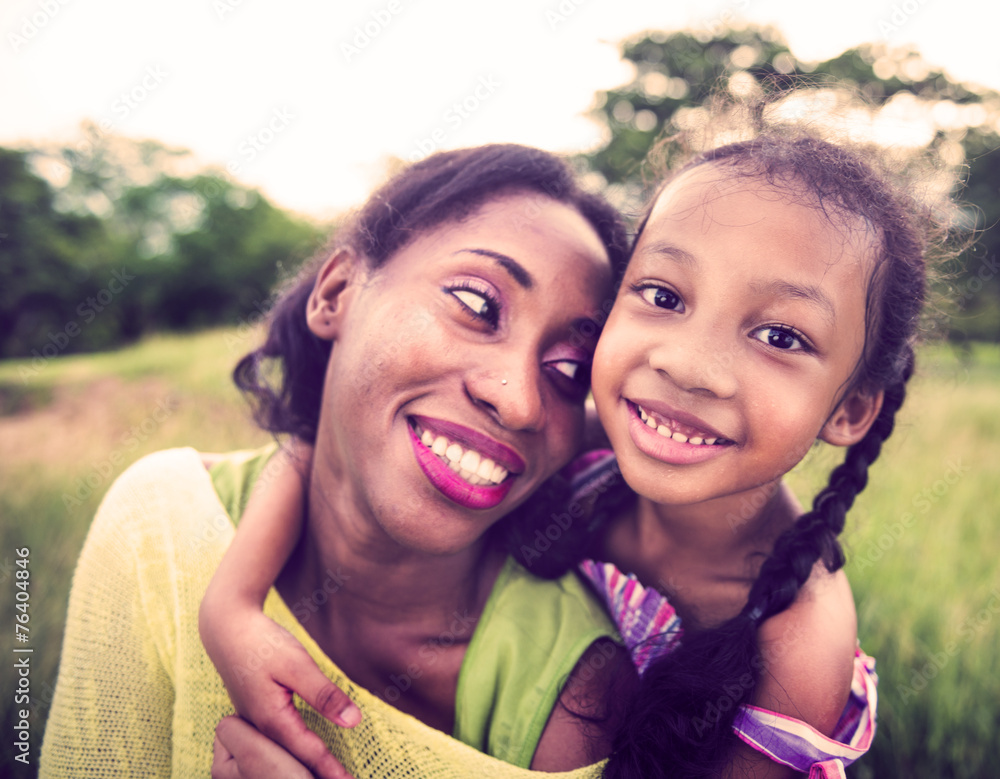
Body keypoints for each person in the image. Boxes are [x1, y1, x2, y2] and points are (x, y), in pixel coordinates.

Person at [198, 90, 955, 779]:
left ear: (850, 408)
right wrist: (232, 601)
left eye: (782, 336)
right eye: (662, 294)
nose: (691, 367)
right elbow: (310, 449)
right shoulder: (589, 445)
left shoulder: (797, 639)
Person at [39, 143, 640, 779]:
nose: (519, 401)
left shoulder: (578, 698)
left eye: (570, 370)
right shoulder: (163, 528)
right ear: (336, 293)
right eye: (477, 305)